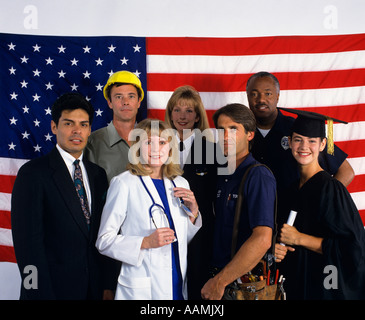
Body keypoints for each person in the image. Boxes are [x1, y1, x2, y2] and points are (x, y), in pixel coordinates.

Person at [11, 92, 114, 300]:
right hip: (51, 292)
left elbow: (104, 233)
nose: (77, 130)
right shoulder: (33, 173)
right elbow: (27, 246)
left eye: (83, 124)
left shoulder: (98, 175)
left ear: (89, 130)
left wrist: (107, 285)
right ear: (54, 127)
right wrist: (37, 292)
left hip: (94, 291)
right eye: (69, 123)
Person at [96, 119, 202, 300]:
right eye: (148, 143)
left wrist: (193, 214)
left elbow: (180, 238)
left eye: (162, 142)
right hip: (143, 288)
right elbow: (104, 241)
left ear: (170, 148)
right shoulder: (123, 183)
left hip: (176, 282)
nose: (155, 149)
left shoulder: (180, 182)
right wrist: (145, 242)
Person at [274, 108, 365, 299]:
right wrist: (278, 249)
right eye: (298, 139)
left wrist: (298, 238)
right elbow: (283, 239)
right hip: (295, 285)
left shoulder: (331, 189)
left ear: (323, 144)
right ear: (289, 142)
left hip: (323, 286)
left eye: (312, 141)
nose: (303, 146)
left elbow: (352, 248)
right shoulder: (290, 191)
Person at [201, 103, 276, 300]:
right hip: (219, 277)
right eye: (221, 130)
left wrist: (220, 281)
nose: (226, 137)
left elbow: (262, 239)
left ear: (250, 134)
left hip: (242, 284)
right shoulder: (223, 174)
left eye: (233, 129)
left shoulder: (257, 175)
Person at [246, 71, 355, 197]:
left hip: (293, 211)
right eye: (254, 94)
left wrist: (323, 199)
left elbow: (346, 171)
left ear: (277, 96)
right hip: (252, 211)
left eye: (268, 93)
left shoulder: (300, 130)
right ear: (247, 96)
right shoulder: (240, 132)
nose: (261, 99)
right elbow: (224, 172)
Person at [165, 85, 223, 299]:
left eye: (189, 111)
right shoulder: (157, 147)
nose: (182, 116)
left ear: (198, 116)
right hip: (165, 231)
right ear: (170, 114)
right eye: (177, 109)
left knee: (197, 290)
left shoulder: (212, 150)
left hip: (201, 235)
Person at [85, 70, 144, 183]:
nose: (125, 102)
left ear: (139, 102)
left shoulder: (154, 140)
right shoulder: (92, 143)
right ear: (109, 103)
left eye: (131, 96)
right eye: (118, 97)